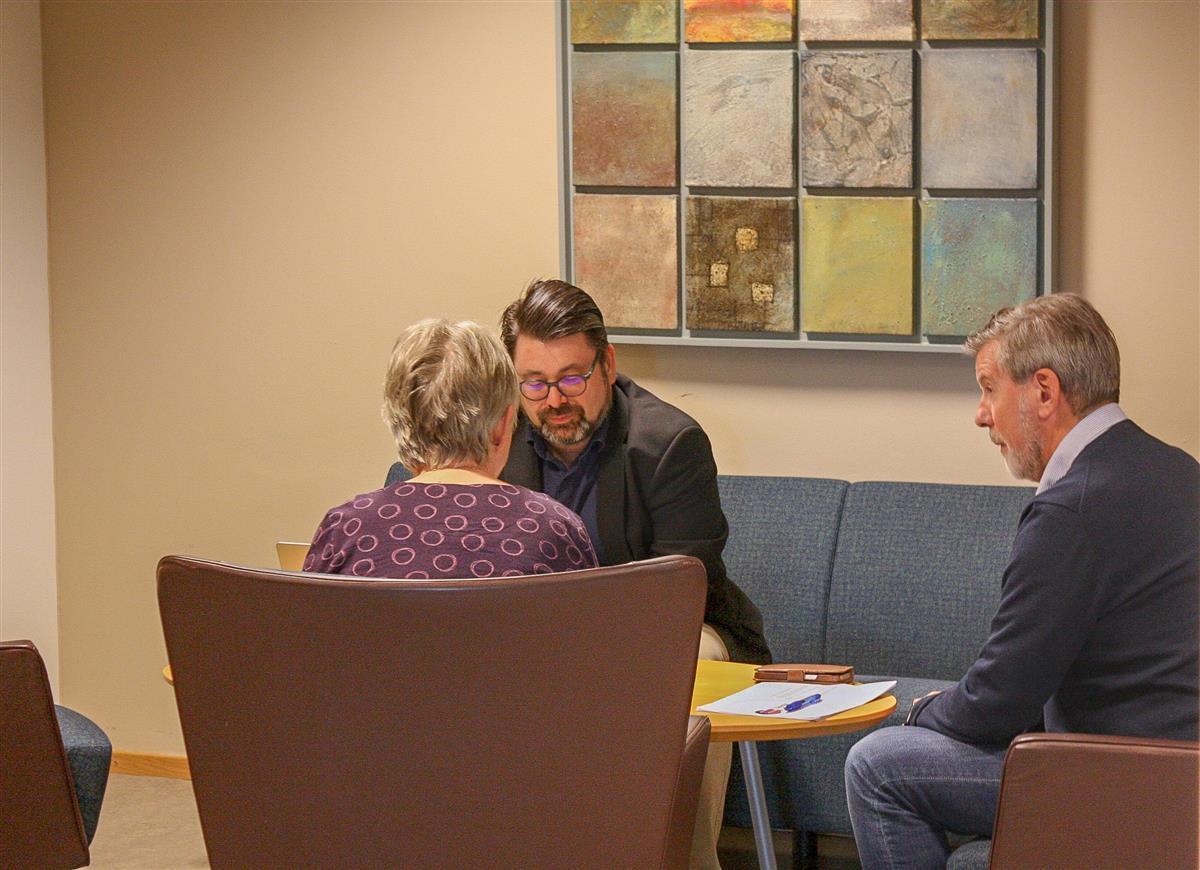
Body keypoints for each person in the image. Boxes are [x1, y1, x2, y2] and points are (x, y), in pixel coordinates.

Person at [844, 294, 1199, 869]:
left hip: (1125, 779)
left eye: (988, 389)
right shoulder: (1180, 470)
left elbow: (998, 702)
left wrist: (918, 708)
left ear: (1044, 391)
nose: (981, 415)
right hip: (1179, 770)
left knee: (877, 765)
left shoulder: (1071, 510)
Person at [499, 279, 772, 870]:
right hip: (536, 633)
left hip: (670, 630)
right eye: (535, 383)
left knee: (687, 666)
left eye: (572, 378)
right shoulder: (497, 440)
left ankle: (686, 860)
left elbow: (681, 589)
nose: (554, 400)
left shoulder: (669, 443)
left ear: (608, 364)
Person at [305, 319, 598, 579]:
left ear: (399, 419)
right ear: (501, 424)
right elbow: (591, 622)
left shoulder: (346, 529)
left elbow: (303, 622)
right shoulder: (555, 530)